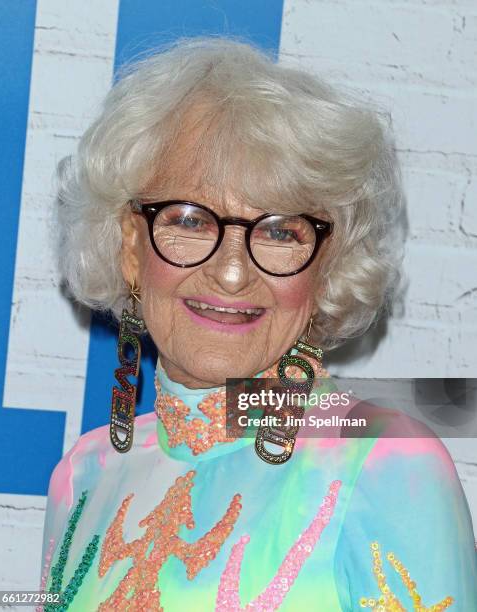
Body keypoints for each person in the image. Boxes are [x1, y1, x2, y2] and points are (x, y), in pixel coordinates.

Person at [39, 36, 477, 611]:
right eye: (189, 219)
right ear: (129, 248)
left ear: (328, 268)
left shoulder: (383, 460)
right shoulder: (82, 477)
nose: (229, 274)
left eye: (278, 231)